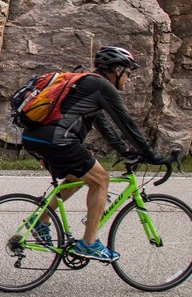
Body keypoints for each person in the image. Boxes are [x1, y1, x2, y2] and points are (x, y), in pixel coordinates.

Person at [21, 46, 168, 262]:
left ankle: (40, 221)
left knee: (78, 178)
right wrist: (151, 154)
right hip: (57, 140)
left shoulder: (87, 84)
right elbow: (126, 122)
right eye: (128, 73)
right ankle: (89, 244)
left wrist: (125, 150)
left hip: (35, 137)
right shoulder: (101, 86)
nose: (128, 78)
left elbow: (104, 124)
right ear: (116, 70)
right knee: (101, 180)